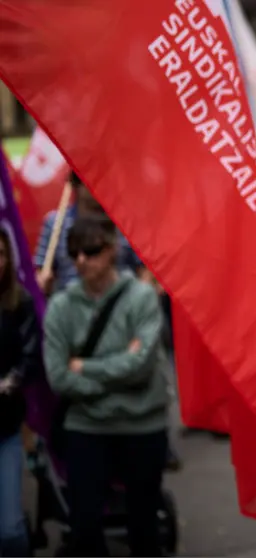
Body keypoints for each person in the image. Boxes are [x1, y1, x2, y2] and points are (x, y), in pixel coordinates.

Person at [43, 216, 170, 557]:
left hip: (142, 424)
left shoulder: (141, 298)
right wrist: (119, 373)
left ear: (112, 251)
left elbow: (142, 367)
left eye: (91, 250)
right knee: (84, 526)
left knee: (144, 526)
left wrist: (85, 367)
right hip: (87, 427)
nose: (81, 260)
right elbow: (58, 377)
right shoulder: (60, 308)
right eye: (74, 252)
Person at [34, 172, 145, 295]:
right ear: (77, 184)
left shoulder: (128, 222)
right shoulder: (55, 223)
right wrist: (42, 284)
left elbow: (144, 272)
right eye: (93, 179)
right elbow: (41, 273)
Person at [0, 229, 41, 557]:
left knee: (10, 532)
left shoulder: (19, 302)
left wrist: (9, 383)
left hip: (5, 429)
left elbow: (29, 357)